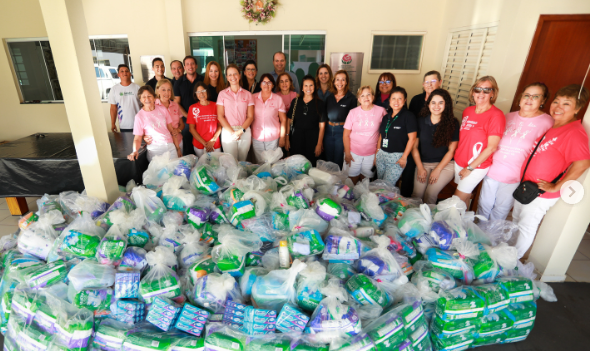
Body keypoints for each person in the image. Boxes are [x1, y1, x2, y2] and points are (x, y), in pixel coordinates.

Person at [512, 85, 590, 259]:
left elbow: (583, 163)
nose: (558, 107)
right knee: (517, 222)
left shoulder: (574, 132)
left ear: (577, 108)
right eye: (556, 102)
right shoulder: (555, 127)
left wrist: (556, 187)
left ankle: (511, 261)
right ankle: (508, 255)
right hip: (528, 188)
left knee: (526, 227)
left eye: (566, 104)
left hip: (541, 193)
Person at [478, 83, 553, 220]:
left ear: (542, 101)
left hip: (515, 175)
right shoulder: (507, 116)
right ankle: (477, 235)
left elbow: (546, 152)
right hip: (492, 169)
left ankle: (491, 238)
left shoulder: (547, 122)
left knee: (500, 210)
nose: (529, 99)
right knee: (484, 205)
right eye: (526, 95)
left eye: (535, 96)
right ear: (520, 98)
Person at [454, 76, 506, 208]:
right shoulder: (468, 111)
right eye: (478, 89)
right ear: (473, 92)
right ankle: (463, 225)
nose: (481, 93)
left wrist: (470, 168)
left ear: (493, 93)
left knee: (454, 203)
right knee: (463, 199)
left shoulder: (496, 115)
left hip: (475, 166)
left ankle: (449, 227)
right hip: (460, 161)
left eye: (486, 90)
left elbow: (492, 148)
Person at [411, 89, 459, 204]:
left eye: (441, 102)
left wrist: (438, 170)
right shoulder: (420, 121)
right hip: (423, 163)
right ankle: (413, 219)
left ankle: (428, 221)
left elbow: (451, 151)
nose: (436, 106)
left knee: (430, 194)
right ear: (428, 104)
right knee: (417, 196)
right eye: (433, 102)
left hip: (445, 165)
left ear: (446, 105)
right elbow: (414, 148)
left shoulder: (453, 123)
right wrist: (420, 167)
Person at [403, 70, 443, 197]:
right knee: (409, 173)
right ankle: (406, 202)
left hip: (432, 148)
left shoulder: (443, 101)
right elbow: (409, 121)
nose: (429, 84)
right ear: (423, 84)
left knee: (429, 189)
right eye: (427, 82)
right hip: (414, 142)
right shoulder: (416, 100)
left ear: (440, 82)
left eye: (433, 81)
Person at [343, 85, 387, 184]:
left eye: (368, 94)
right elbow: (346, 134)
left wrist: (377, 155)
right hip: (353, 153)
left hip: (371, 155)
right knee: (351, 181)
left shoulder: (381, 111)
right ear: (359, 99)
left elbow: (384, 133)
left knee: (365, 182)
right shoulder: (353, 112)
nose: (366, 98)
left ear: (373, 97)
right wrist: (347, 153)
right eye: (362, 96)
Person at [376, 87, 417, 186]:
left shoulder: (408, 116)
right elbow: (382, 135)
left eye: (400, 98)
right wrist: (377, 152)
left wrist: (404, 157)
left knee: (386, 186)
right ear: (389, 100)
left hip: (397, 158)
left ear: (404, 100)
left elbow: (412, 139)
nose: (396, 101)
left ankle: (387, 201)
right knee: (379, 183)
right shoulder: (386, 117)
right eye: (393, 98)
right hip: (382, 155)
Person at [128, 86, 181, 162]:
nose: (147, 99)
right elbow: (137, 138)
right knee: (159, 173)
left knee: (174, 171)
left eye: (149, 96)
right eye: (144, 97)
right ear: (140, 100)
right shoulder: (139, 116)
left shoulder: (163, 109)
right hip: (155, 150)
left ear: (154, 97)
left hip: (170, 147)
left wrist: (178, 148)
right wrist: (135, 151)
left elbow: (172, 131)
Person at [216, 64, 255, 161]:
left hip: (244, 131)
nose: (233, 77)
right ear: (227, 77)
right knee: (230, 161)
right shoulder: (222, 94)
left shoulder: (248, 94)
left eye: (235, 74)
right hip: (228, 131)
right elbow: (220, 116)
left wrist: (240, 131)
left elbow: (250, 117)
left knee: (243, 161)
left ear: (240, 75)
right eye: (230, 75)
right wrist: (233, 133)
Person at [288, 75, 326, 167]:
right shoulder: (296, 101)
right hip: (296, 140)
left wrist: (319, 144)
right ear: (302, 88)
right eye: (306, 85)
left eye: (311, 85)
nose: (308, 88)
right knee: (296, 166)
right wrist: (286, 139)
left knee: (311, 166)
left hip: (313, 141)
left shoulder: (320, 103)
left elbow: (322, 126)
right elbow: (289, 122)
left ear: (315, 87)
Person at [324, 70, 357, 169]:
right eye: (337, 80)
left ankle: (337, 183)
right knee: (328, 159)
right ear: (334, 82)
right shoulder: (329, 97)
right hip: (328, 130)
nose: (340, 82)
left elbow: (353, 121)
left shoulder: (351, 98)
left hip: (342, 131)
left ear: (346, 82)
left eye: (343, 80)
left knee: (338, 160)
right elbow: (325, 115)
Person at [251, 74, 287, 163]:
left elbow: (283, 120)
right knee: (260, 164)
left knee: (272, 164)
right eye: (264, 82)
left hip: (273, 138)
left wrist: (282, 137)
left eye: (269, 82)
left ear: (273, 85)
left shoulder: (278, 99)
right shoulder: (253, 97)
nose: (266, 85)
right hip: (257, 137)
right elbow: (248, 117)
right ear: (260, 85)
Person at [174, 56, 205, 155]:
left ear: (196, 66)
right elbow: (177, 103)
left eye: (192, 63)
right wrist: (189, 116)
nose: (190, 66)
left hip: (202, 117)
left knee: (202, 141)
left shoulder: (203, 80)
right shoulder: (178, 83)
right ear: (184, 67)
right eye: (187, 64)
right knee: (188, 139)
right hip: (186, 118)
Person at [147, 79, 185, 153]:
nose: (167, 93)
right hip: (162, 144)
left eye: (169, 90)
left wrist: (178, 130)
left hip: (178, 141)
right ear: (157, 90)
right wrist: (144, 137)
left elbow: (182, 124)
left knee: (179, 164)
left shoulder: (175, 105)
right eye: (163, 90)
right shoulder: (153, 106)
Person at [187, 81, 222, 157]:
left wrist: (213, 140)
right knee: (202, 167)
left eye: (203, 91)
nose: (201, 94)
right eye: (198, 92)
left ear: (207, 91)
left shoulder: (216, 106)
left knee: (216, 167)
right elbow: (191, 129)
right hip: (199, 145)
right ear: (195, 94)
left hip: (215, 144)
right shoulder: (192, 108)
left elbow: (220, 125)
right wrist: (205, 144)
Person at [109, 64, 140, 133]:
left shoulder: (138, 88)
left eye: (127, 71)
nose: (125, 73)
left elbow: (144, 106)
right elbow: (113, 108)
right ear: (118, 74)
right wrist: (113, 124)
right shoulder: (114, 89)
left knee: (140, 144)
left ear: (130, 73)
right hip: (124, 125)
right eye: (122, 71)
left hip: (139, 124)